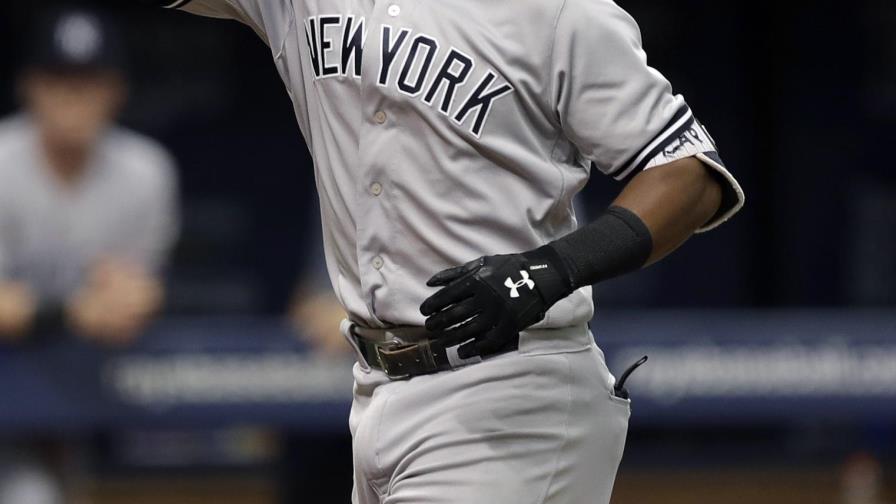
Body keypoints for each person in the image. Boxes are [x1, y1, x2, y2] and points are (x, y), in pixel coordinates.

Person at [155, 0, 744, 502]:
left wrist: (551, 268)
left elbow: (690, 174)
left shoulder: (560, 12)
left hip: (512, 387)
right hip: (375, 385)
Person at [0, 8, 179, 346]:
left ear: (117, 91)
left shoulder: (147, 170)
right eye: (58, 80)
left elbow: (140, 289)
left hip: (99, 357)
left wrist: (133, 298)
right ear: (28, 87)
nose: (73, 98)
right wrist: (70, 312)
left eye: (89, 83)